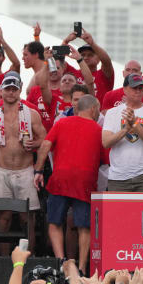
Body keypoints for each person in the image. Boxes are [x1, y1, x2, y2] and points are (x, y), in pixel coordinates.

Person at [0, 73, 46, 254]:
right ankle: (4, 260)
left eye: (14, 89)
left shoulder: (32, 114)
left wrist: (35, 145)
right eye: (8, 89)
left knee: (27, 218)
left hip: (25, 170)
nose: (11, 93)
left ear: (20, 90)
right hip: (2, 171)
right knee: (2, 217)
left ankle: (27, 260)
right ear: (2, 91)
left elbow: (45, 140)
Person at [34, 94, 103, 272]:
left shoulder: (61, 123)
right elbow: (106, 159)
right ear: (93, 109)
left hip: (61, 177)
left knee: (55, 222)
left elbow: (45, 145)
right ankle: (80, 267)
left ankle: (61, 263)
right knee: (84, 226)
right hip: (85, 180)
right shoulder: (97, 129)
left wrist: (38, 170)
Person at [102, 73, 143, 192]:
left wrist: (135, 124)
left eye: (141, 88)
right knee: (118, 211)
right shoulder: (112, 113)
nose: (138, 91)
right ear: (124, 90)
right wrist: (125, 129)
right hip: (118, 176)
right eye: (134, 88)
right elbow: (106, 142)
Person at [62, 27, 115, 102]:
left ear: (99, 59)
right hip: (75, 112)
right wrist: (66, 41)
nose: (86, 57)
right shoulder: (72, 74)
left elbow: (107, 61)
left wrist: (92, 43)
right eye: (82, 55)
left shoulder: (103, 75)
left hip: (98, 112)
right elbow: (58, 60)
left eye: (90, 55)